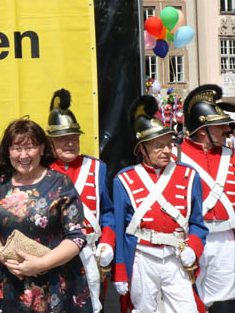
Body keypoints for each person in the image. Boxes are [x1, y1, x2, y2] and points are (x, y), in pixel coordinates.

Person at [113, 95, 208, 313]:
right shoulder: (124, 180)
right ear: (141, 149)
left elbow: (198, 224)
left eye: (169, 144)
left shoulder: (189, 175)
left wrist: (193, 248)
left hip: (177, 255)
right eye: (158, 146)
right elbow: (119, 229)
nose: (166, 150)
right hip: (141, 256)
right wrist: (119, 270)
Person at [0, 118, 92, 313]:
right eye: (16, 148)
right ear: (8, 151)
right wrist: (3, 258)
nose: (23, 155)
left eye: (30, 147)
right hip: (11, 280)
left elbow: (77, 236)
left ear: (43, 148)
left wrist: (41, 264)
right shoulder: (1, 183)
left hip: (53, 281)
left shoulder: (60, 184)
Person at [46, 89, 115, 313]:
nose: (70, 143)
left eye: (74, 138)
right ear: (51, 141)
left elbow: (108, 213)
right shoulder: (42, 171)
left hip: (90, 250)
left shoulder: (97, 168)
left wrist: (108, 242)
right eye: (63, 139)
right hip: (53, 254)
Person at [175, 84, 235, 312]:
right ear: (203, 130)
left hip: (226, 240)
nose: (227, 129)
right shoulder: (174, 157)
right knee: (187, 299)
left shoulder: (231, 156)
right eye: (221, 126)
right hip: (190, 239)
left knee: (226, 301)